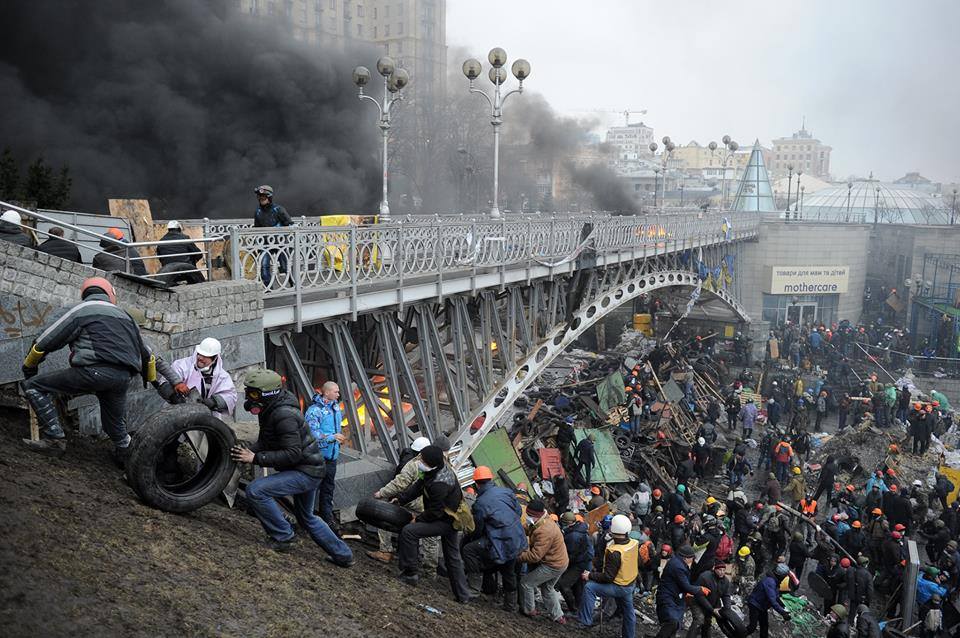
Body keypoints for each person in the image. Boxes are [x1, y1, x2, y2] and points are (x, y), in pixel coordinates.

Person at [20, 277, 156, 460]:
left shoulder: (81, 310)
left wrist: (29, 368)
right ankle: (129, 459)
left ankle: (55, 440)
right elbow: (148, 355)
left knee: (34, 386)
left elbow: (45, 341)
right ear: (110, 294)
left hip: (92, 373)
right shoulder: (125, 316)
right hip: (122, 378)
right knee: (115, 426)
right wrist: (150, 379)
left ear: (85, 293)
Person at [229, 369, 353, 566]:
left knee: (256, 490)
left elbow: (292, 453)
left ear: (267, 393)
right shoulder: (270, 408)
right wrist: (246, 452)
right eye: (248, 392)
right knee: (307, 517)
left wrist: (255, 458)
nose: (250, 399)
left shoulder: (283, 415)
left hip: (306, 471)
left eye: (253, 394)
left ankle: (283, 536)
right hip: (308, 467)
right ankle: (344, 556)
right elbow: (267, 441)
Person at [393, 444, 471, 602]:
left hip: (447, 520)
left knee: (409, 531)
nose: (419, 461)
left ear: (431, 463)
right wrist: (401, 498)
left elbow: (435, 511)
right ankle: (463, 595)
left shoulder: (440, 483)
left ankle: (410, 573)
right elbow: (418, 487)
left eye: (422, 459)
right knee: (452, 556)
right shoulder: (431, 471)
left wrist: (419, 519)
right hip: (448, 516)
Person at [461, 466, 526, 609]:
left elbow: (477, 529)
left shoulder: (480, 503)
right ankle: (510, 605)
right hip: (517, 538)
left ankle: (473, 589)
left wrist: (470, 538)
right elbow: (518, 511)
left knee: (468, 550)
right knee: (508, 569)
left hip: (500, 539)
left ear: (476, 484)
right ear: (490, 479)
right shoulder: (506, 492)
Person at [578, 514, 639, 638]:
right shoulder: (633, 543)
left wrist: (590, 575)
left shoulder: (614, 551)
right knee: (629, 613)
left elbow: (608, 577)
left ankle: (585, 620)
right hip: (630, 583)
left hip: (618, 586)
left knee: (589, 587)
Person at [160, 337, 237, 419]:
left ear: (214, 358)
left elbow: (231, 396)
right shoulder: (181, 366)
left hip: (207, 417)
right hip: (176, 413)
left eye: (205, 356)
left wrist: (214, 402)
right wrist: (175, 398)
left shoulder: (222, 376)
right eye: (199, 354)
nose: (200, 358)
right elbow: (164, 383)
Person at [518, 499, 568, 623]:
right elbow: (529, 527)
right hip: (560, 562)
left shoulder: (545, 530)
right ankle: (558, 616)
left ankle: (529, 610)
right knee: (547, 588)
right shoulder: (541, 520)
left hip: (553, 565)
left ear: (536, 515)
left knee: (526, 583)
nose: (527, 517)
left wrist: (517, 556)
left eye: (529, 515)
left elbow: (535, 556)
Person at [304, 381, 344, 532]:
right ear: (326, 392)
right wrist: (331, 437)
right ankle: (307, 517)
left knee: (328, 489)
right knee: (312, 488)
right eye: (335, 392)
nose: (338, 394)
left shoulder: (335, 407)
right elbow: (311, 433)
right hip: (317, 457)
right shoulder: (315, 411)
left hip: (332, 457)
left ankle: (327, 520)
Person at [653, 544, 703, 637]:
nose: (693, 560)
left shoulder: (677, 562)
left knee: (675, 626)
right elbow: (686, 586)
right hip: (668, 597)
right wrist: (700, 589)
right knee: (672, 622)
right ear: (686, 558)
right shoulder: (678, 567)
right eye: (692, 557)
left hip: (675, 597)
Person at [253, 184, 292, 284]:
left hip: (280, 243)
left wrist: (283, 235)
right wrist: (255, 243)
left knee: (285, 266)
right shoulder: (258, 212)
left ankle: (293, 283)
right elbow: (257, 228)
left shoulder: (278, 209)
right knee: (263, 266)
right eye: (260, 197)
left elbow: (290, 224)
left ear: (269, 197)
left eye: (264, 197)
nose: (261, 198)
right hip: (265, 243)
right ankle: (268, 288)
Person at [556, 511, 592, 616]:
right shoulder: (580, 529)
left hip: (577, 564)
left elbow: (571, 553)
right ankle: (578, 609)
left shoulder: (573, 536)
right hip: (582, 562)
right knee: (577, 587)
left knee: (563, 585)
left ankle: (573, 609)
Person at [746, 563, 791, 638]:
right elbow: (773, 601)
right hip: (755, 604)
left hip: (762, 605)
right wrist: (783, 613)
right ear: (781, 576)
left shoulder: (775, 581)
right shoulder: (770, 582)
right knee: (752, 627)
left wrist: (782, 605)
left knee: (764, 626)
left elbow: (775, 596)